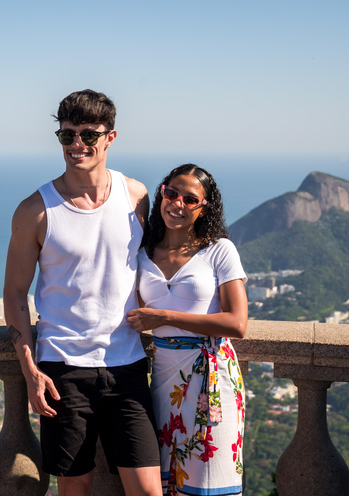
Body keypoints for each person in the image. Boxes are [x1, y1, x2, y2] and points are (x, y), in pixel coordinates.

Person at [4, 90, 162, 496]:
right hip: (62, 369)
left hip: (127, 364)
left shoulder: (137, 197)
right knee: (75, 489)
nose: (77, 145)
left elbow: (164, 263)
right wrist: (30, 370)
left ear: (111, 137)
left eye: (88, 135)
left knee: (148, 490)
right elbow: (15, 293)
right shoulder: (35, 211)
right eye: (67, 135)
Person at [127, 164, 247, 496]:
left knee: (210, 481)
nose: (177, 204)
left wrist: (164, 316)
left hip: (211, 378)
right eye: (171, 193)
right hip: (164, 378)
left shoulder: (219, 250)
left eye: (190, 199)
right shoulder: (142, 254)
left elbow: (237, 323)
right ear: (161, 192)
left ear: (203, 207)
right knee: (168, 482)